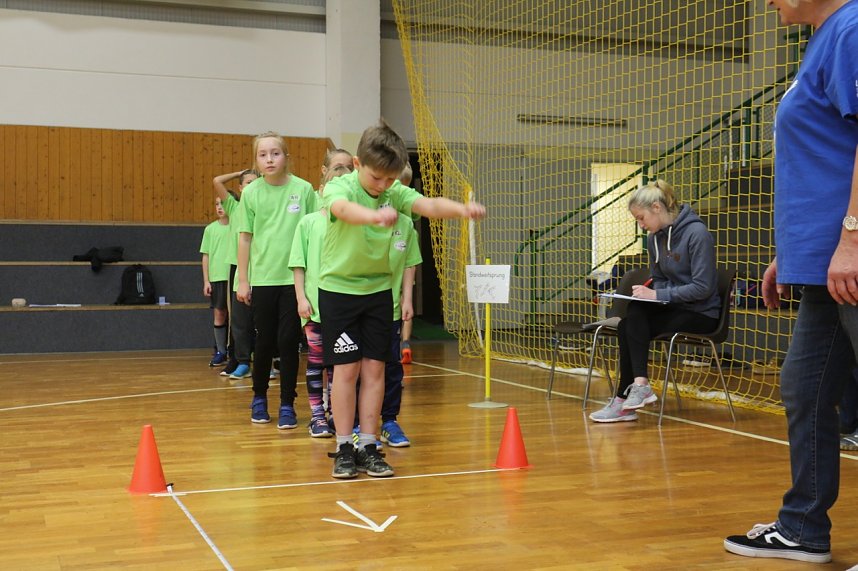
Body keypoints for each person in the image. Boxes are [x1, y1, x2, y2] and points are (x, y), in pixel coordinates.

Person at [723, 0, 858, 564]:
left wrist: (853, 234)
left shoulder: (852, 28)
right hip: (821, 262)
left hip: (850, 255)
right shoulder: (820, 38)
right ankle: (803, 526)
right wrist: (792, 254)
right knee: (804, 388)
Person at [320, 119, 485, 479]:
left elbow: (427, 205)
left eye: (390, 180)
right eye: (377, 178)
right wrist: (374, 217)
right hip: (340, 292)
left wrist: (461, 210)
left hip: (379, 293)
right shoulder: (340, 187)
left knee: (376, 369)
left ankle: (368, 444)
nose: (384, 186)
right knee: (346, 371)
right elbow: (343, 211)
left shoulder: (395, 192)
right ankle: (344, 445)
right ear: (359, 165)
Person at [588, 179, 720, 423]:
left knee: (632, 322)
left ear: (657, 208)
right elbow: (659, 279)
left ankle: (625, 400)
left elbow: (703, 288)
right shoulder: (654, 239)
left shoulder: (697, 234)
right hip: (672, 308)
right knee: (631, 318)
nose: (641, 225)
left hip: (701, 313)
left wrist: (659, 295)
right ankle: (634, 390)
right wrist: (652, 294)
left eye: (641, 218)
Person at [236, 131, 316, 428]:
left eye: (275, 153)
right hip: (264, 279)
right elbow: (245, 238)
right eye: (263, 154)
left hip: (295, 281)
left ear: (286, 157)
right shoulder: (252, 193)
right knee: (265, 341)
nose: (269, 159)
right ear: (256, 161)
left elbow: (312, 233)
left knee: (288, 342)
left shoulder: (304, 189)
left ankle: (287, 403)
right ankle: (259, 396)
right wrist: (243, 280)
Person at [290, 164, 351, 438]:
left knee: (339, 366)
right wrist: (301, 298)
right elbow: (298, 265)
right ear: (323, 190)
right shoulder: (309, 222)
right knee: (317, 363)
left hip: (343, 310)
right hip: (314, 309)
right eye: (333, 185)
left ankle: (337, 414)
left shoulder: (352, 225)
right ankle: (317, 415)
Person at [379, 208, 422, 447]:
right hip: (357, 306)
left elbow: (410, 263)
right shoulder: (358, 214)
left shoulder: (405, 224)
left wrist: (406, 299)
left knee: (391, 369)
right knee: (357, 370)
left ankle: (389, 421)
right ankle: (355, 426)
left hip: (390, 309)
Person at [212, 168, 258, 379]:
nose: (251, 185)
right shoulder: (234, 205)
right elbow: (217, 181)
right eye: (247, 182)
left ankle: (268, 361)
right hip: (237, 267)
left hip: (260, 266)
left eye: (254, 182)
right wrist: (240, 172)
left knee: (260, 318)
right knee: (239, 319)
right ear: (240, 188)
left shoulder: (263, 206)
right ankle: (241, 360)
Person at [200, 197, 233, 367]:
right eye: (217, 204)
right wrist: (207, 280)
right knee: (219, 314)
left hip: (234, 277)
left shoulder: (237, 227)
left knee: (237, 318)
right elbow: (206, 256)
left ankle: (238, 352)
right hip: (217, 278)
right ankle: (221, 351)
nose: (220, 207)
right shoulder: (210, 229)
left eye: (223, 204)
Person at [397, 162, 416, 364]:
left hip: (400, 246)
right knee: (406, 299)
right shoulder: (410, 200)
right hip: (408, 251)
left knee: (398, 300)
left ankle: (397, 343)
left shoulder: (394, 199)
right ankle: (406, 343)